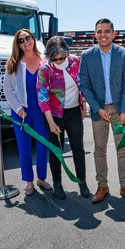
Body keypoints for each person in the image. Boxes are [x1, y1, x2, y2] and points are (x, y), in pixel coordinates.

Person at [79, 19, 125, 204]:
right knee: (99, 150)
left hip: (119, 110)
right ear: (95, 34)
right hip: (99, 112)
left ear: (114, 33)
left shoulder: (124, 54)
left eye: (106, 31)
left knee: (122, 150)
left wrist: (124, 111)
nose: (103, 34)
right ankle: (102, 186)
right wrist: (97, 108)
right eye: (99, 31)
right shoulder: (87, 56)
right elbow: (84, 85)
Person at [37, 36, 89, 200]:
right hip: (53, 115)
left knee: (78, 148)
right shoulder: (45, 68)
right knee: (55, 150)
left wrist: (83, 105)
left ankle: (82, 182)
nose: (59, 61)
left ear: (67, 53)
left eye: (62, 57)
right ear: (49, 56)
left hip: (73, 112)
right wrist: (51, 122)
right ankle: (57, 184)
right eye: (55, 59)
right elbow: (42, 96)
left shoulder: (75, 62)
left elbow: (83, 85)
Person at [3, 29, 51, 196]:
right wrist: (18, 108)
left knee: (43, 144)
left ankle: (42, 178)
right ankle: (29, 182)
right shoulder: (13, 63)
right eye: (21, 40)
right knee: (24, 147)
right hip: (21, 111)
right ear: (18, 44)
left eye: (28, 38)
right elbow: (7, 90)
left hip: (41, 110)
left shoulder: (44, 60)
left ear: (33, 38)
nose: (26, 42)